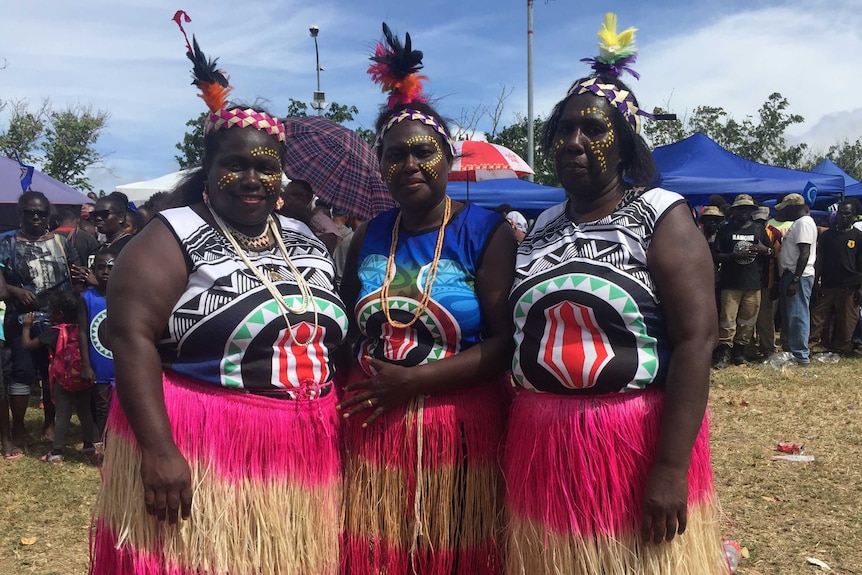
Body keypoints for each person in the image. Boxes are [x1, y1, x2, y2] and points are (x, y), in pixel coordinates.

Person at [90, 18, 346, 575]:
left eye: (266, 167)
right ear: (208, 169)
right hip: (208, 442)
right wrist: (158, 450)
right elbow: (131, 338)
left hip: (305, 448)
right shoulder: (170, 234)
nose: (252, 178)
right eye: (235, 165)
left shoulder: (303, 237)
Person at [504, 14, 726, 574]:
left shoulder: (660, 214)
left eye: (594, 131)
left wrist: (670, 469)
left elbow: (698, 340)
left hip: (630, 440)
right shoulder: (542, 226)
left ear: (624, 146)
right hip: (545, 441)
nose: (573, 142)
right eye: (564, 131)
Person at [337, 23, 516, 574]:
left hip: (460, 430)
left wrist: (415, 382)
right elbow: (346, 326)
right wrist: (362, 371)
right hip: (374, 428)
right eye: (393, 155)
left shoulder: (486, 232)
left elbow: (507, 342)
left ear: (446, 156)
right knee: (380, 553)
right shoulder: (369, 234)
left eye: (422, 152)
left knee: (454, 551)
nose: (407, 165)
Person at [0, 191, 82, 446]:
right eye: (30, 212)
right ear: (20, 214)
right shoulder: (7, 243)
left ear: (48, 215)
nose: (36, 217)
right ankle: (19, 426)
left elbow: (76, 271)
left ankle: (50, 422)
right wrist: (16, 291)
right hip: (20, 319)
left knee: (52, 373)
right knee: (22, 371)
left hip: (57, 320)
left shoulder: (61, 242)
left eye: (41, 213)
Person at [21, 292, 97, 465]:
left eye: (52, 312)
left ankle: (57, 452)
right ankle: (89, 447)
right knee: (84, 412)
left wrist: (26, 326)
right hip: (84, 378)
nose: (50, 315)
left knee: (63, 415)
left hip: (63, 380)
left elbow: (27, 345)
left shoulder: (54, 332)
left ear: (60, 314)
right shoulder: (83, 330)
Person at [712, 194, 773, 366]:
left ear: (752, 211)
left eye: (747, 209)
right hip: (730, 282)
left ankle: (740, 353)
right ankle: (724, 353)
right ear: (734, 211)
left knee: (748, 319)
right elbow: (716, 256)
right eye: (740, 209)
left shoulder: (758, 229)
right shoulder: (725, 230)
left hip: (753, 282)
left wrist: (764, 250)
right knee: (727, 319)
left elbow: (771, 252)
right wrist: (734, 255)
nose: (744, 212)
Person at [809, 199, 862, 355]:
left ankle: (840, 349)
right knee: (817, 318)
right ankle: (810, 347)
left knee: (847, 321)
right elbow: (820, 260)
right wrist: (816, 282)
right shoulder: (827, 236)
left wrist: (860, 288)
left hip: (850, 286)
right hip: (828, 284)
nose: (843, 216)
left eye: (847, 214)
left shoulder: (858, 237)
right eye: (840, 213)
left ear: (854, 216)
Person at [79, 248, 116, 443]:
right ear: (93, 270)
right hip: (98, 363)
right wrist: (85, 364)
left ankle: (123, 445)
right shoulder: (86, 297)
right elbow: (83, 331)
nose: (106, 271)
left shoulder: (124, 294)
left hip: (121, 363)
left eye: (111, 267)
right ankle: (106, 445)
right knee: (102, 406)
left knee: (124, 406)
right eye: (101, 267)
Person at [776, 193, 818, 365]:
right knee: (792, 315)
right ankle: (793, 351)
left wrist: (795, 279)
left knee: (798, 315)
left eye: (785, 210)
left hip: (798, 276)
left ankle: (801, 355)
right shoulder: (799, 223)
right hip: (791, 275)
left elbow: (805, 253)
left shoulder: (804, 223)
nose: (783, 214)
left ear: (792, 207)